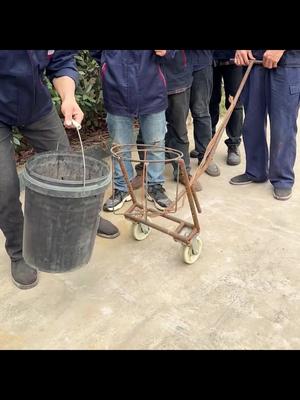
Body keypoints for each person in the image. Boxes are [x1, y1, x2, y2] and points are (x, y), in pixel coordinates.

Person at [0, 50, 118, 290]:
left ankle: (86, 221)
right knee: (4, 186)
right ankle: (19, 250)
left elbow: (61, 60)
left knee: (65, 162)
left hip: (34, 104)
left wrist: (68, 98)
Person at [90, 50, 173, 211]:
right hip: (116, 89)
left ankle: (155, 185)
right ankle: (122, 188)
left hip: (152, 86)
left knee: (156, 143)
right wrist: (109, 65)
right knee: (120, 147)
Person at [230, 50, 300, 201]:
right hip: (254, 62)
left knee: (283, 125)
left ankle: (282, 177)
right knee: (252, 121)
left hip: (286, 63)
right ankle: (255, 170)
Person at [187, 50, 220, 177]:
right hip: (175, 64)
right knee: (176, 114)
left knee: (201, 111)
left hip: (201, 62)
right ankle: (173, 156)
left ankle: (205, 156)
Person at [209, 50, 244, 166]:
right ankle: (207, 142)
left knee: (234, 103)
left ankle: (233, 144)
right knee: (210, 100)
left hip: (234, 57)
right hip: (208, 57)